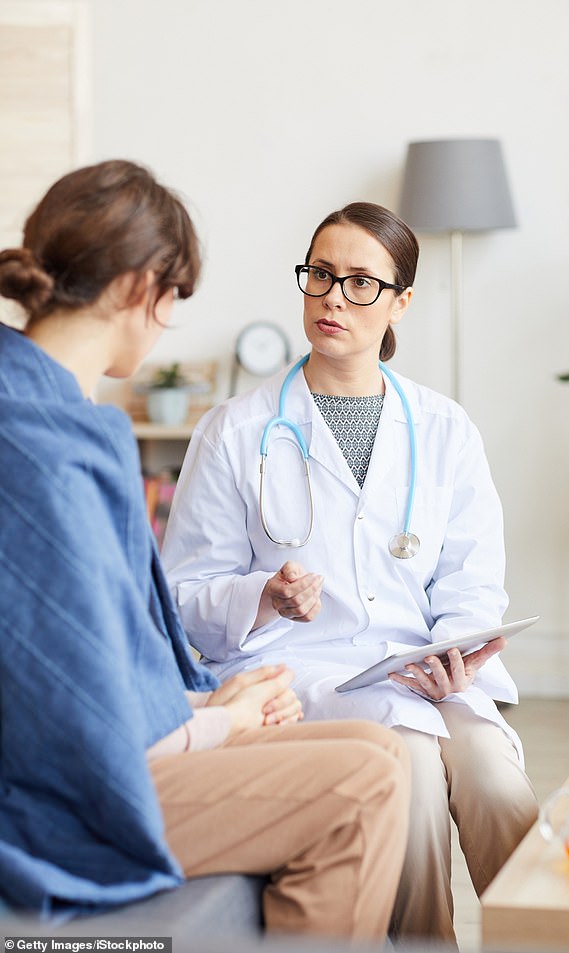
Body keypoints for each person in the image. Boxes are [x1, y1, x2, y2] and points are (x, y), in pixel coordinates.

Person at [0, 164, 412, 940]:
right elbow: (67, 709)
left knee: (379, 744)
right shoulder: (41, 442)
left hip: (111, 744)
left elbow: (84, 659)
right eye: (174, 301)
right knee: (362, 781)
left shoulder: (54, 410)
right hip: (53, 800)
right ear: (141, 286)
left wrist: (207, 705)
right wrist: (220, 719)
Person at [162, 200, 540, 946]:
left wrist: (458, 651)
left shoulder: (444, 428)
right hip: (304, 675)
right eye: (321, 275)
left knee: (499, 787)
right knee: (415, 783)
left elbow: (470, 580)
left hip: (430, 672)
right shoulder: (234, 431)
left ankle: (548, 937)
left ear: (401, 300)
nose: (334, 296)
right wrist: (261, 596)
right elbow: (182, 600)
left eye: (362, 282)